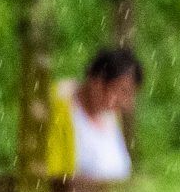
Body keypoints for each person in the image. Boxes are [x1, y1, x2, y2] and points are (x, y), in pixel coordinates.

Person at [57, 47, 142, 184]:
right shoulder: (61, 110)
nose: (124, 102)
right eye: (122, 91)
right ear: (97, 82)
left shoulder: (111, 118)